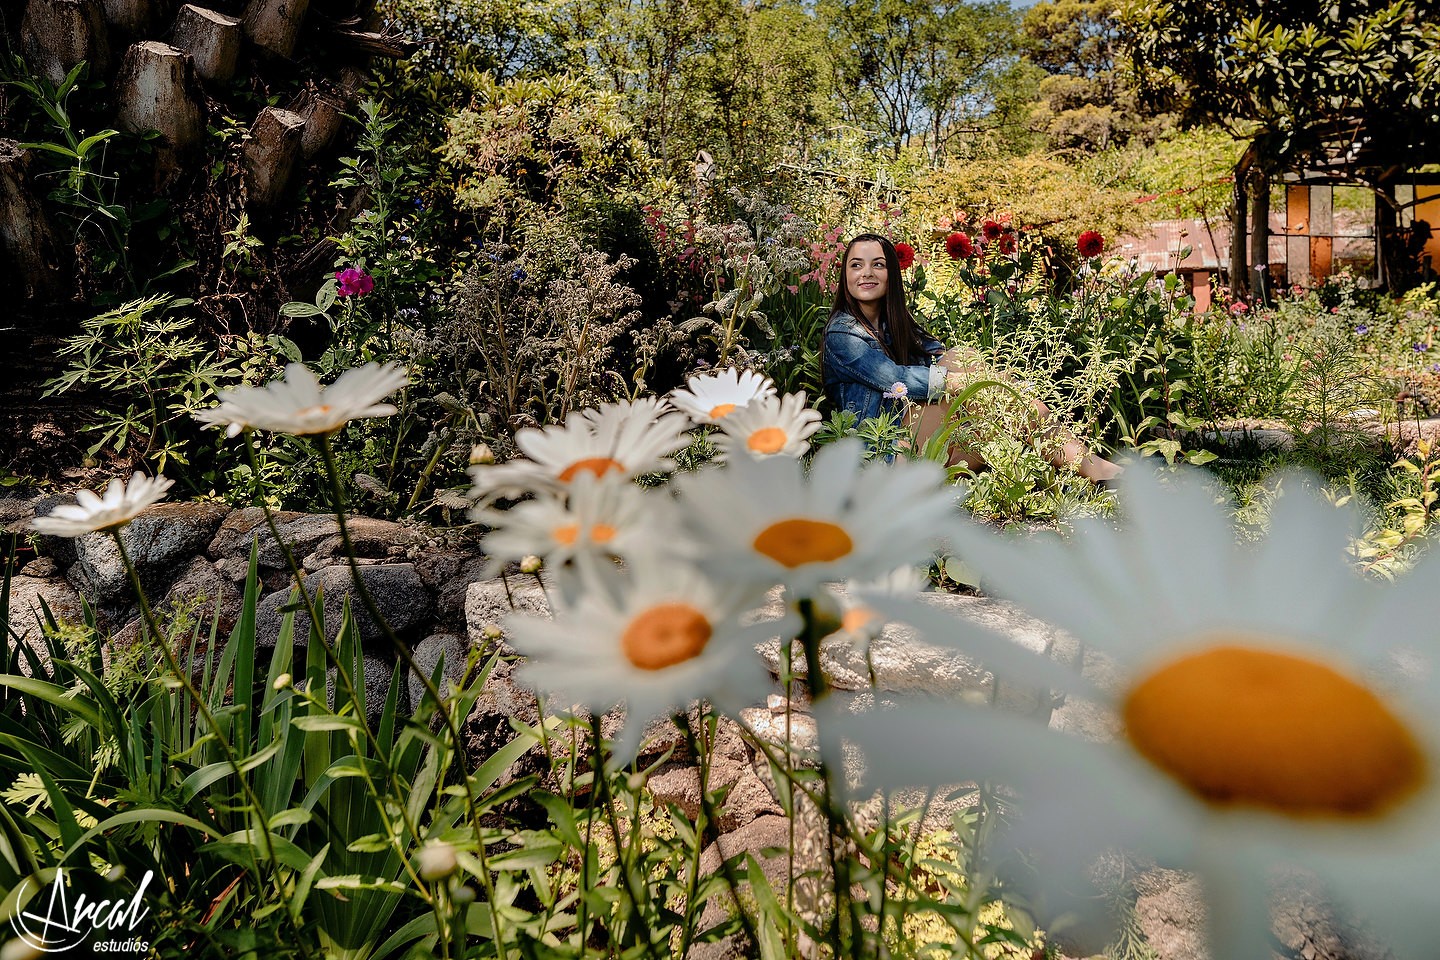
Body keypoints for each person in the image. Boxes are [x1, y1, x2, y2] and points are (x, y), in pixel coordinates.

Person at [821, 233, 1122, 483]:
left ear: (892, 276)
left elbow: (942, 357)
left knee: (964, 359)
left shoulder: (894, 326)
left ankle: (1085, 469)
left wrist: (982, 380)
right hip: (882, 457)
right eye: (856, 265)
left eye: (879, 265)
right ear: (845, 275)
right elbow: (896, 379)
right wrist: (973, 382)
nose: (867, 273)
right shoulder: (843, 334)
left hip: (920, 448)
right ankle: (1093, 468)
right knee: (979, 384)